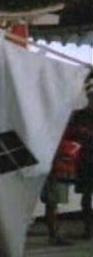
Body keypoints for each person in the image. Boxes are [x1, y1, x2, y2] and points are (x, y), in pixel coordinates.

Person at [67, 75, 93, 239]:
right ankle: (88, 229)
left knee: (87, 195)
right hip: (85, 158)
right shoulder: (79, 115)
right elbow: (71, 133)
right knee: (86, 195)